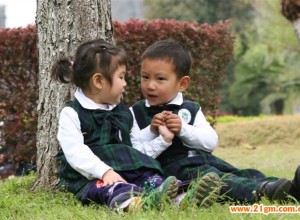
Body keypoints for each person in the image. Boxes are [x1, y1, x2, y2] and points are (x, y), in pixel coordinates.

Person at [51, 38, 220, 212]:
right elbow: (75, 152)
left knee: (153, 178)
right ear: (99, 81)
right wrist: (104, 171)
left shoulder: (122, 112)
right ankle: (137, 205)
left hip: (128, 169)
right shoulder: (72, 113)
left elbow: (136, 148)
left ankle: (180, 198)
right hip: (93, 176)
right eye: (121, 77)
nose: (125, 83)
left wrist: (160, 137)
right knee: (113, 188)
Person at [130, 39, 300, 204]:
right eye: (145, 77)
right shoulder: (136, 112)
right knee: (223, 182)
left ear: (182, 84)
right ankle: (267, 192)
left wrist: (183, 129)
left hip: (205, 160)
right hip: (176, 171)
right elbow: (134, 152)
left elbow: (210, 142)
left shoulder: (190, 109)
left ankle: (288, 187)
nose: (150, 85)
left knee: (243, 173)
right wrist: (152, 130)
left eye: (160, 79)